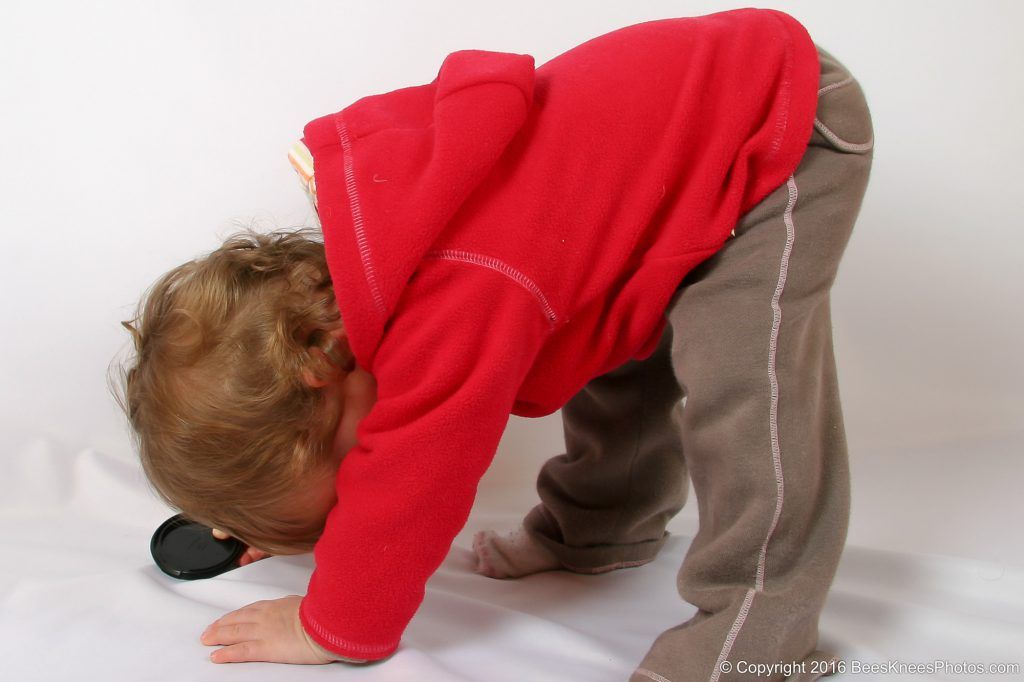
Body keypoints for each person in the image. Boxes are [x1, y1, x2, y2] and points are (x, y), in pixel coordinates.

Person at [112, 7, 873, 680]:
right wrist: (265, 517)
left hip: (777, 127)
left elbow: (414, 468)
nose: (357, 493)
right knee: (607, 352)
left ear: (321, 369)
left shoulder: (454, 286)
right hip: (683, 165)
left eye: (343, 476)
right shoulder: (384, 260)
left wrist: (332, 624)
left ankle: (757, 638)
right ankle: (599, 530)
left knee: (746, 389)